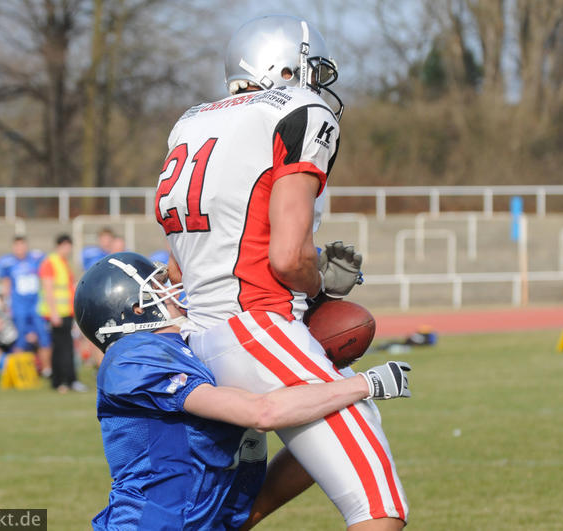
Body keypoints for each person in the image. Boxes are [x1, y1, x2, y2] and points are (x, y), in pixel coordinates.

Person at [154, 15, 408, 529]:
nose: (318, 84)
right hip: (257, 326)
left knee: (343, 426)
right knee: (379, 506)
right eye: (311, 70)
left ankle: (231, 523)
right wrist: (320, 285)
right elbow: (289, 258)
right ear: (283, 67)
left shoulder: (191, 123)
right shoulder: (298, 111)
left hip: (198, 337)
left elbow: (179, 268)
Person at [74, 252, 411, 530]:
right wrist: (364, 384)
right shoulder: (133, 357)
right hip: (149, 524)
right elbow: (262, 412)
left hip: (209, 520)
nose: (172, 291)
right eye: (158, 287)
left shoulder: (191, 344)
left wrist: (319, 296)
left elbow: (253, 333)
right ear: (136, 308)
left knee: (328, 427)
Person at [0, 236, 51, 376]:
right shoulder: (8, 263)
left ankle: (47, 369)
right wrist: (5, 303)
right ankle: (20, 372)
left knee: (43, 336)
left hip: (36, 305)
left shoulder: (36, 259)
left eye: (22, 245)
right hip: (18, 306)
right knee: (19, 338)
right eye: (17, 246)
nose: (20, 249)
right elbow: (6, 283)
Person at [38, 234, 84, 393]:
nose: (68, 250)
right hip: (57, 313)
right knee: (61, 348)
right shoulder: (50, 263)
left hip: (66, 312)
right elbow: (48, 289)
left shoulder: (64, 263)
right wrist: (54, 313)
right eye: (66, 246)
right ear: (59, 246)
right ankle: (62, 381)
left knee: (67, 347)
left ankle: (67, 380)